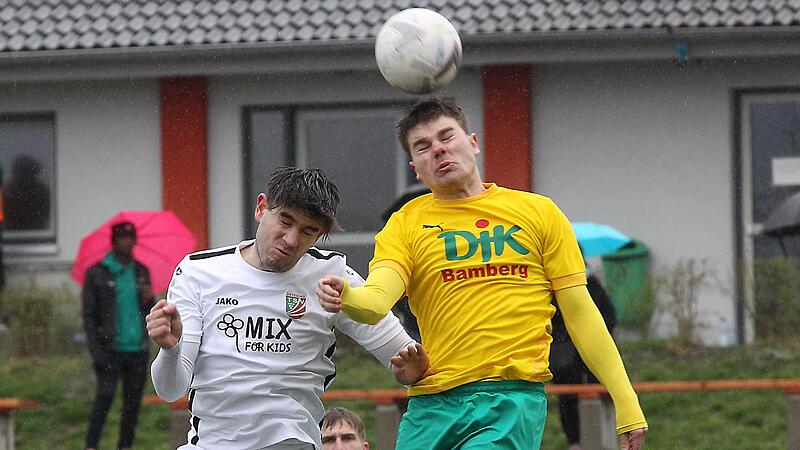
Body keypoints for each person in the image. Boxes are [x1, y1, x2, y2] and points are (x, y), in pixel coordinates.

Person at [317, 97, 648, 450]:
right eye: (423, 147)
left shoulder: (539, 213)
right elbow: (376, 301)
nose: (439, 150)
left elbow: (581, 313)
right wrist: (348, 295)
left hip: (508, 401)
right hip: (430, 403)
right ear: (416, 167)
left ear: (472, 143)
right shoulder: (404, 225)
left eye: (447, 137)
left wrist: (626, 399)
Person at [147, 167, 428, 450]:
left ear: (318, 237)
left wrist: (411, 369)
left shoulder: (334, 274)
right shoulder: (198, 272)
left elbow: (405, 357)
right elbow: (171, 390)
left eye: (308, 231)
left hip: (292, 442)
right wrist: (170, 350)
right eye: (285, 221)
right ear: (261, 208)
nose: (291, 240)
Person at [82, 221, 156, 450]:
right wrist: (96, 350)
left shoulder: (141, 271)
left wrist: (148, 297)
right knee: (104, 398)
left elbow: (150, 310)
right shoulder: (97, 273)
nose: (127, 241)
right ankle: (91, 445)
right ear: (113, 241)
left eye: (131, 237)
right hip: (109, 348)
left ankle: (125, 446)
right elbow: (89, 315)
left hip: (137, 349)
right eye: (122, 237)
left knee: (132, 404)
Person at [550, 270, 617, 450]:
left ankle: (597, 440)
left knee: (595, 398)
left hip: (588, 359)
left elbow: (609, 316)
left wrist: (593, 336)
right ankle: (575, 441)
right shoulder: (552, 287)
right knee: (568, 399)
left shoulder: (591, 284)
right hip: (566, 360)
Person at [3, 154, 50, 230]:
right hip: (11, 235)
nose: (24, 176)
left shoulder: (42, 192)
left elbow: (46, 215)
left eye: (27, 172)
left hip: (39, 236)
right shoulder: (8, 191)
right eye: (21, 171)